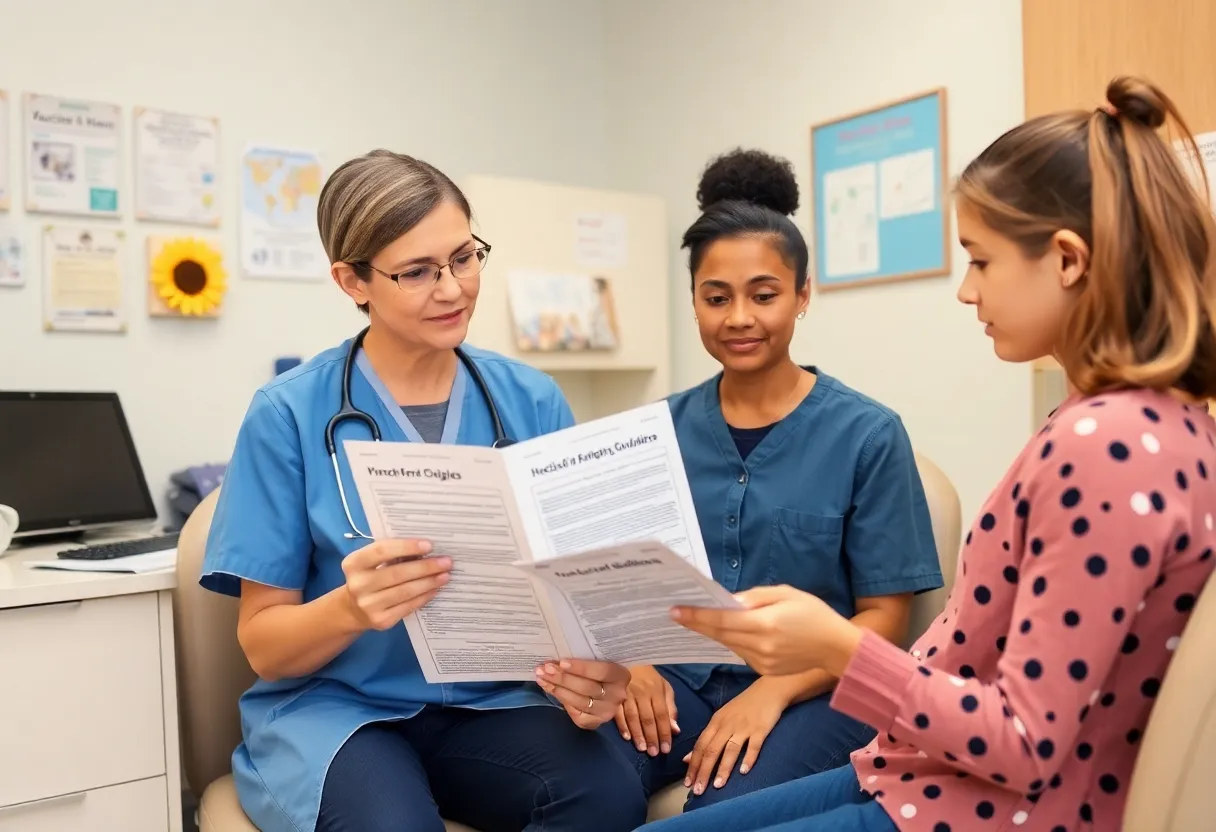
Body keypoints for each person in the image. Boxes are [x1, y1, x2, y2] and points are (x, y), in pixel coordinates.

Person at [641, 75, 1216, 832]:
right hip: (927, 771)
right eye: (716, 296)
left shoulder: (1108, 448)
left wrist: (838, 647)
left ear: (1069, 261)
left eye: (980, 261)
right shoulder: (1122, 423)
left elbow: (1023, 742)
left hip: (986, 804)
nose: (966, 291)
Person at [200, 149, 648, 832]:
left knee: (606, 796)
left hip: (494, 704)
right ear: (352, 280)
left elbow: (581, 596)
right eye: (417, 272)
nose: (453, 289)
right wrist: (352, 607)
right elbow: (264, 644)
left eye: (465, 258)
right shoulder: (288, 414)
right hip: (339, 712)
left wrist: (597, 674)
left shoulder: (531, 400)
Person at [599, 148, 945, 812]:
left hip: (818, 692)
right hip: (677, 682)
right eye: (716, 297)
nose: (739, 319)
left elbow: (884, 620)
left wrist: (773, 689)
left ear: (803, 295)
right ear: (693, 299)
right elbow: (621, 586)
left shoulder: (868, 435)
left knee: (720, 810)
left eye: (764, 295)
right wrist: (634, 663)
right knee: (578, 782)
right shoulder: (655, 432)